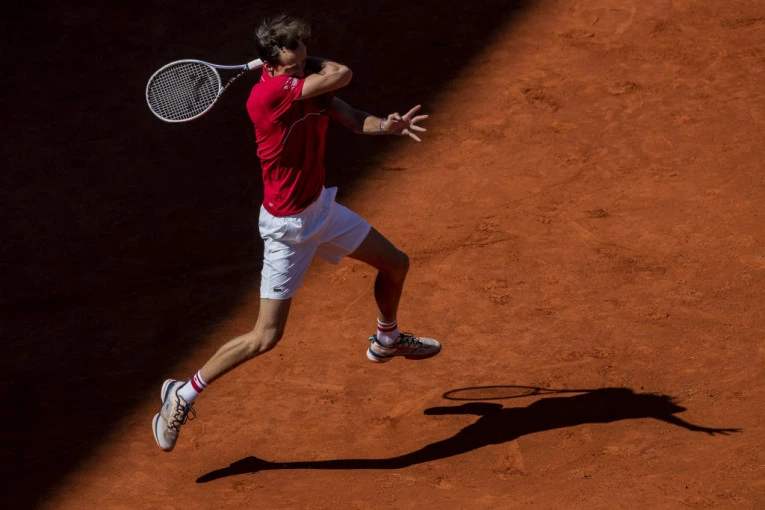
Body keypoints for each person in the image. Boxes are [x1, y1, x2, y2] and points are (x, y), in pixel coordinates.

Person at [153, 14, 441, 452]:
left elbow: (352, 117)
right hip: (287, 230)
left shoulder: (303, 81)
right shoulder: (267, 95)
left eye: (304, 60)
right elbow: (343, 73)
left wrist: (386, 125)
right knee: (266, 336)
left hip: (321, 210)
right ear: (270, 65)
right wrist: (312, 65)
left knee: (395, 264)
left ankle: (387, 340)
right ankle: (182, 393)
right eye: (294, 64)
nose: (302, 69)